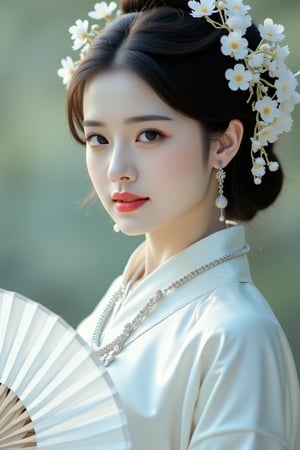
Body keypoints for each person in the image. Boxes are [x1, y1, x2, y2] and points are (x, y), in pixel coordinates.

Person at [58, 0, 300, 448]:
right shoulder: (120, 298)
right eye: (98, 138)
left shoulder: (236, 335)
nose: (117, 168)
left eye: (149, 135)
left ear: (225, 143)